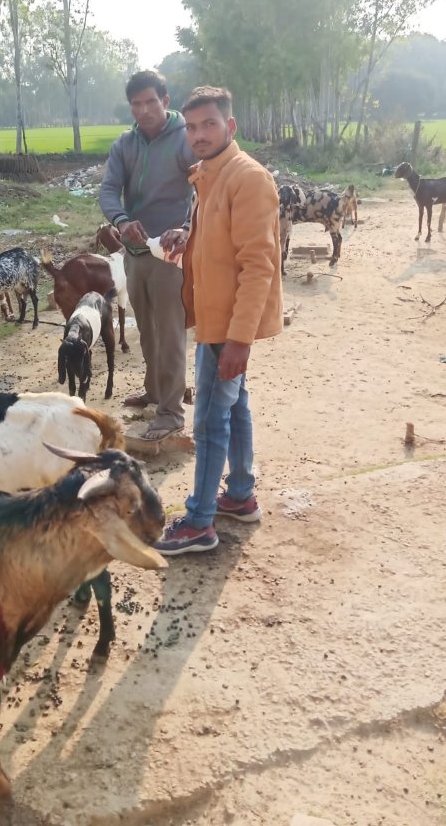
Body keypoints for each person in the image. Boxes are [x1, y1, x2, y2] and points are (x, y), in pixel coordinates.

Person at [154, 86, 283, 556]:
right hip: (215, 319)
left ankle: (198, 522)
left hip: (227, 327)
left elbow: (258, 266)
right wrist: (187, 235)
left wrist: (239, 340)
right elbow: (221, 237)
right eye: (191, 127)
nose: (199, 135)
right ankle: (241, 493)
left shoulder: (247, 178)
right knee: (235, 406)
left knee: (209, 421)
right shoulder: (210, 175)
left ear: (230, 126)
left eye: (209, 124)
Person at [99, 70, 195, 441]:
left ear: (165, 101)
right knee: (147, 329)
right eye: (136, 104)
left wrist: (186, 228)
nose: (143, 110)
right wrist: (122, 221)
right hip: (136, 251)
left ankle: (171, 412)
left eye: (150, 101)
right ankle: (154, 391)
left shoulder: (185, 139)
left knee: (170, 332)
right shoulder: (125, 145)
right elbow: (109, 190)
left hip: (171, 254)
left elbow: (203, 187)